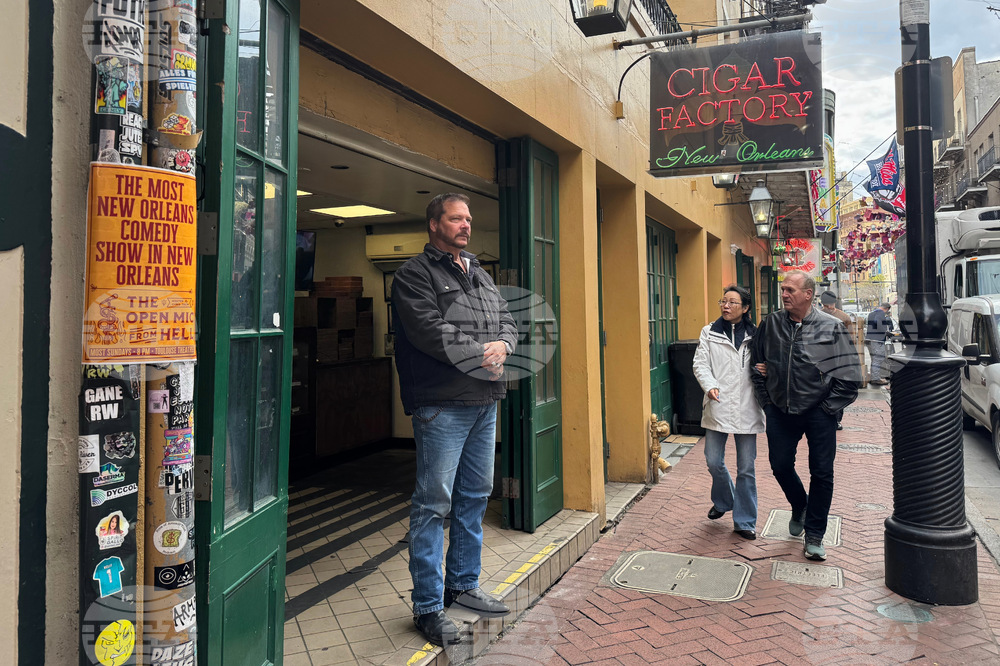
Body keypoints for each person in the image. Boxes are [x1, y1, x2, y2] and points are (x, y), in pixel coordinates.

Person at [392, 193, 517, 646]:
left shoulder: (480, 273)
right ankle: (427, 606)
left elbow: (508, 320)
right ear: (434, 224)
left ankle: (463, 585)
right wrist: (481, 354)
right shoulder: (413, 275)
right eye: (456, 219)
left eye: (468, 219)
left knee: (475, 496)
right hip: (442, 404)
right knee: (432, 504)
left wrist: (503, 346)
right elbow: (428, 329)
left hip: (485, 400)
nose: (465, 225)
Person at [751, 270, 861, 561]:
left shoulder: (832, 327)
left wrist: (827, 409)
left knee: (822, 473)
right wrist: (768, 403)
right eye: (783, 289)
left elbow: (850, 377)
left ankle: (814, 534)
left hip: (819, 412)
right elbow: (756, 364)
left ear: (808, 294)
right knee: (780, 465)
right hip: (780, 409)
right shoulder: (771, 323)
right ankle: (799, 504)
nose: (784, 294)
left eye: (790, 290)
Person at [692, 285, 764, 541]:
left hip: (747, 406)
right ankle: (724, 500)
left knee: (746, 468)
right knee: (713, 460)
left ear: (745, 308)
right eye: (723, 301)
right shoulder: (709, 332)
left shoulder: (756, 335)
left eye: (732, 302)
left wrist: (766, 369)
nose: (726, 306)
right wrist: (709, 385)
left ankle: (745, 521)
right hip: (718, 403)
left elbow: (767, 363)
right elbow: (700, 363)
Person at [819, 291, 855, 430]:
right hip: (823, 357)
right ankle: (827, 415)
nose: (829, 305)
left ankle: (837, 418)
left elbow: (851, 338)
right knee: (825, 388)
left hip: (840, 357)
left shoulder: (843, 317)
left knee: (838, 387)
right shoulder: (817, 316)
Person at [865, 302, 894, 385]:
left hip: (869, 339)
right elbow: (877, 321)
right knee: (879, 358)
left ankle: (873, 377)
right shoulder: (880, 313)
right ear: (887, 309)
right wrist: (885, 332)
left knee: (874, 359)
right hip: (877, 340)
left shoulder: (871, 313)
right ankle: (875, 379)